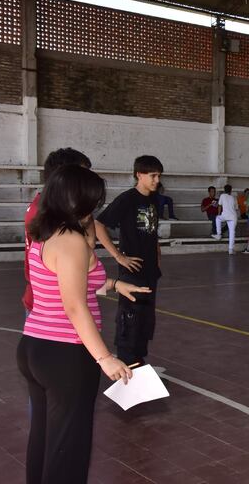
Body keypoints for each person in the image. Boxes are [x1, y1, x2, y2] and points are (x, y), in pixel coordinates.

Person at [17, 165, 150, 484]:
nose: (96, 206)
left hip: (34, 346)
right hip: (66, 354)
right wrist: (105, 357)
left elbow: (67, 283)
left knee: (46, 437)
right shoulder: (71, 240)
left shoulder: (43, 233)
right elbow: (75, 307)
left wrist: (115, 286)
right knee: (70, 447)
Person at [95, 155, 164, 365]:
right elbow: (99, 225)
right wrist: (118, 256)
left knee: (145, 320)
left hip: (150, 270)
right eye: (152, 175)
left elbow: (152, 234)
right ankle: (127, 363)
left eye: (159, 176)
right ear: (139, 175)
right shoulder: (127, 199)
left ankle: (139, 362)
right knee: (130, 320)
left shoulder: (153, 199)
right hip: (132, 272)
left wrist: (157, 260)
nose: (156, 180)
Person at [23, 148, 92, 314]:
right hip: (52, 307)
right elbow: (88, 256)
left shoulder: (54, 208)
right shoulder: (47, 214)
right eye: (83, 176)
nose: (89, 181)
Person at [211, 184, 238, 254]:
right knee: (232, 233)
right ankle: (231, 249)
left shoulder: (222, 196)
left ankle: (219, 234)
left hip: (225, 215)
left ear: (224, 190)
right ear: (231, 190)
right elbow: (236, 208)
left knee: (217, 218)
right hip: (233, 216)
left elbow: (219, 205)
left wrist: (219, 214)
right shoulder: (234, 198)